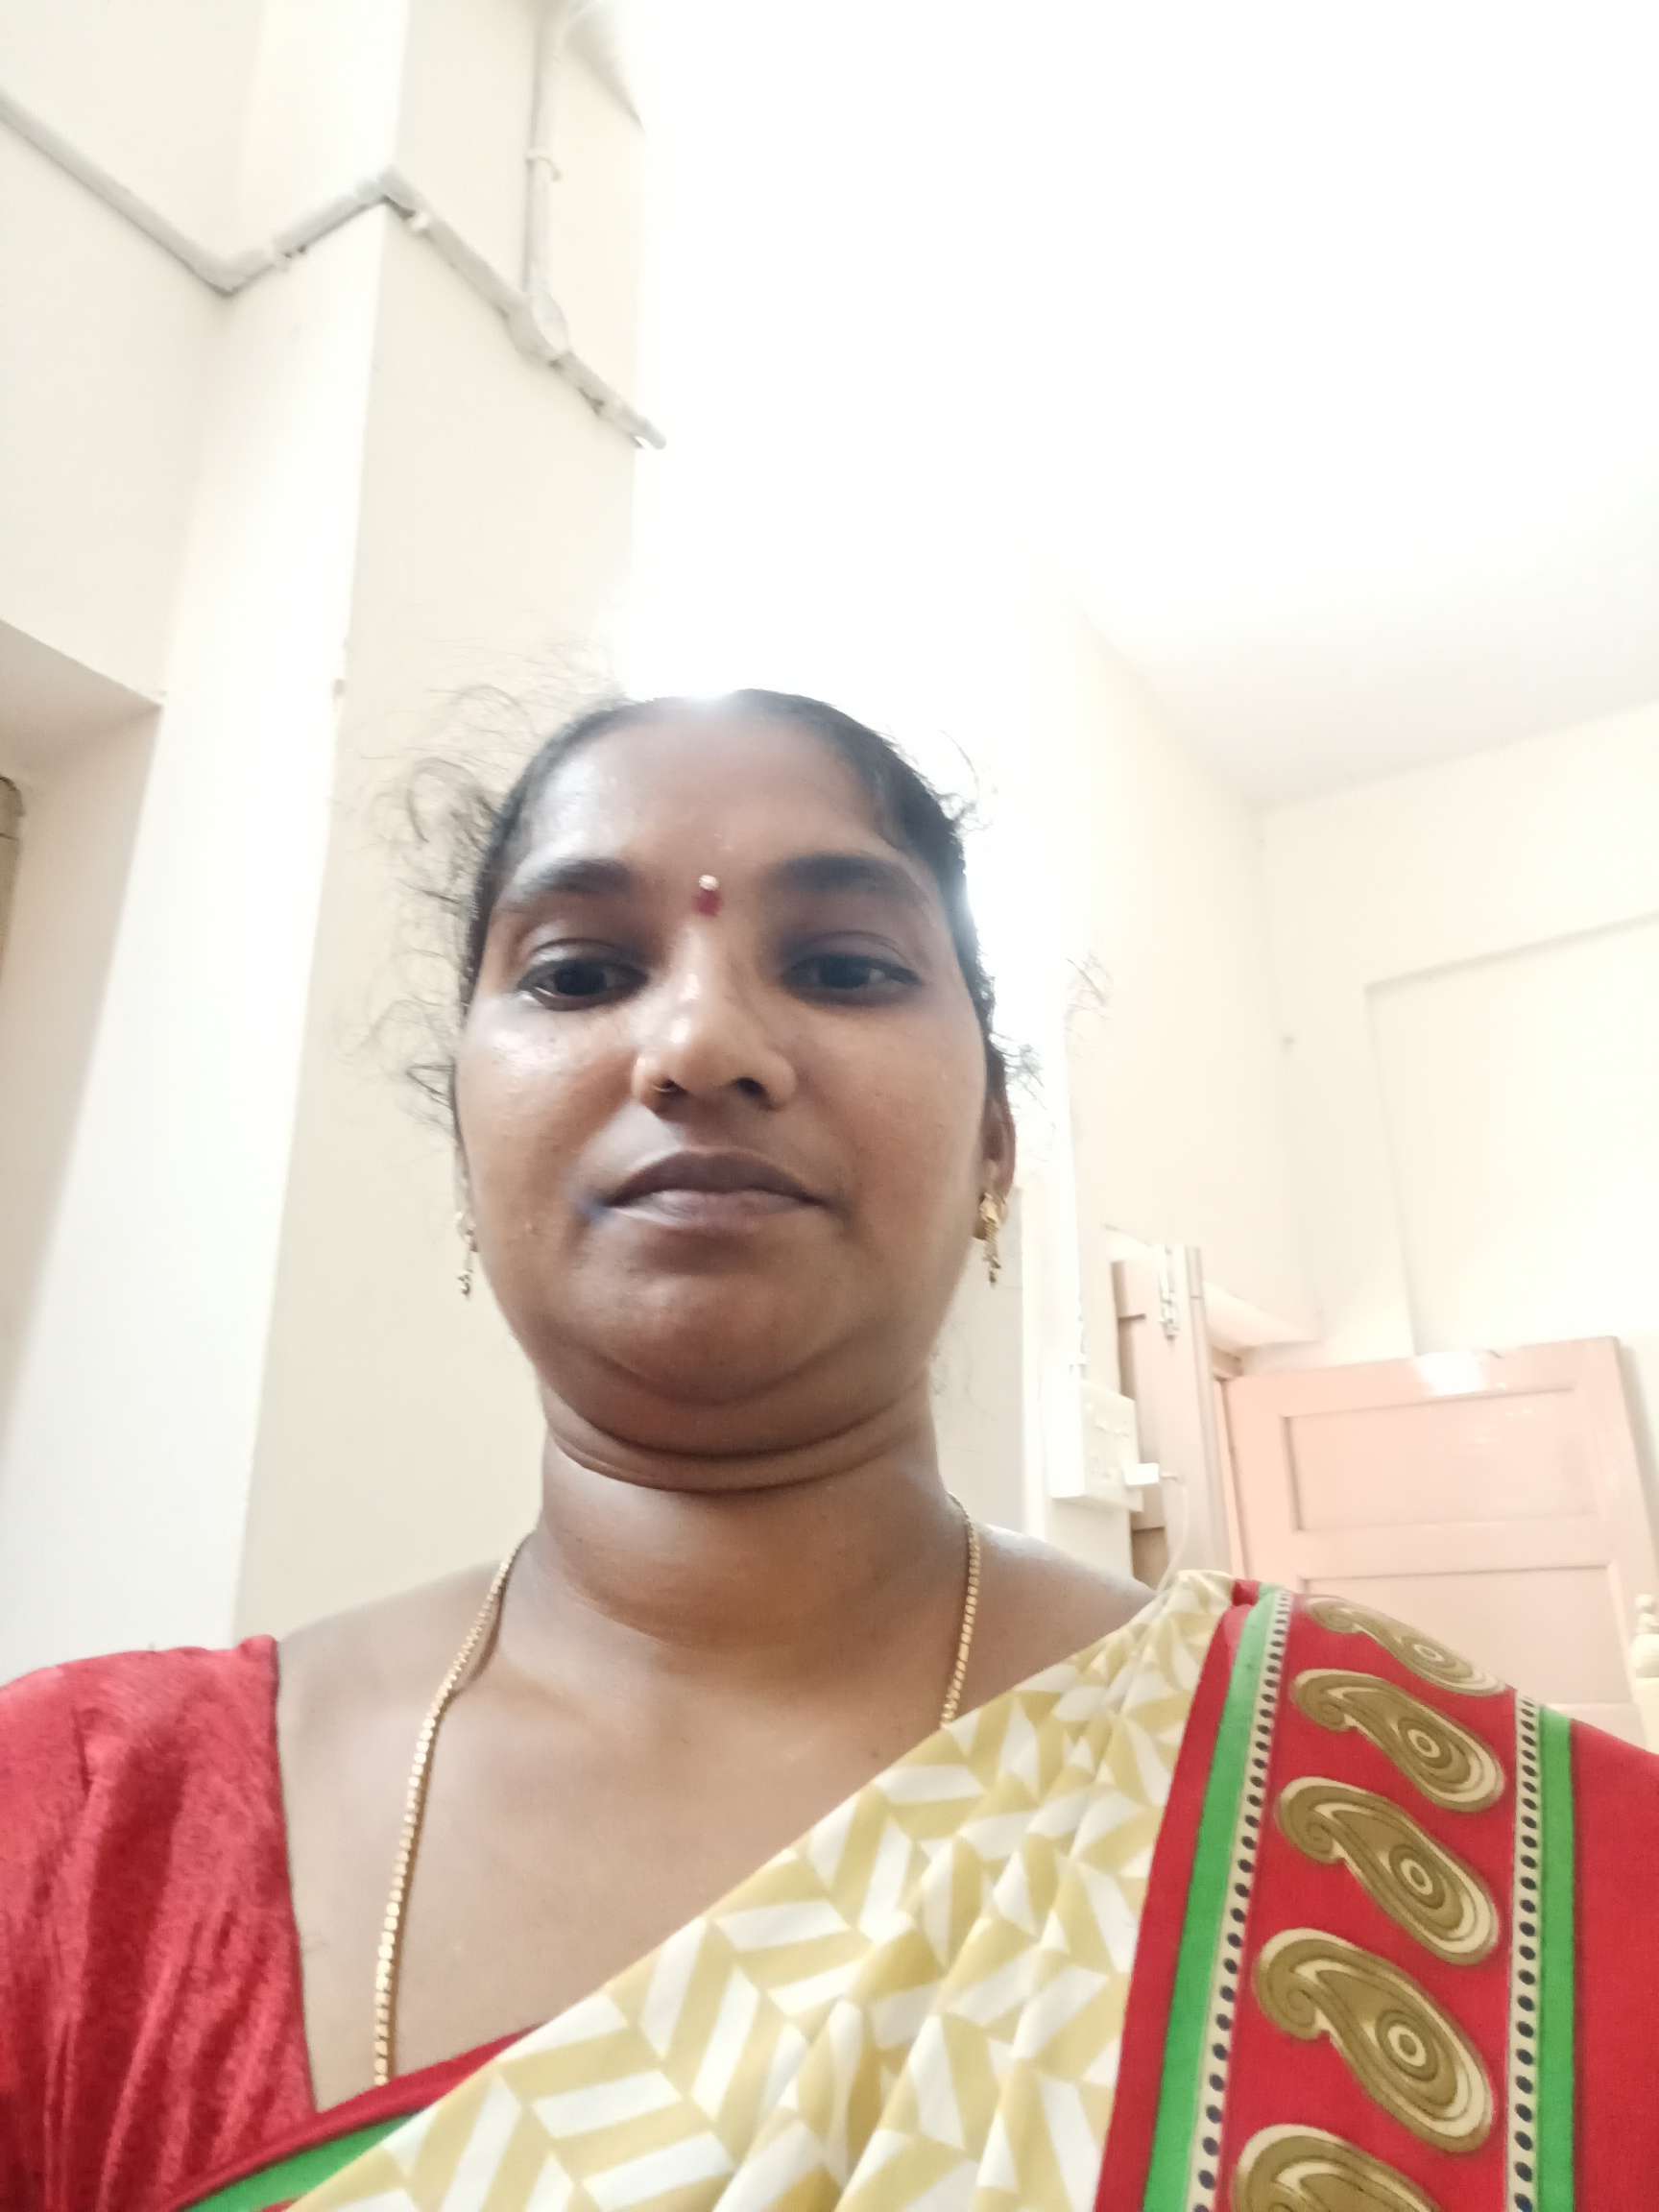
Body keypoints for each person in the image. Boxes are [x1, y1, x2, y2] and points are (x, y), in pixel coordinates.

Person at [0, 689, 1653, 2212]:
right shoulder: (74, 1829)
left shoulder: (1487, 1854)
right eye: (578, 973)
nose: (700, 1044)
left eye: (848, 967)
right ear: (464, 1140)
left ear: (996, 1149)